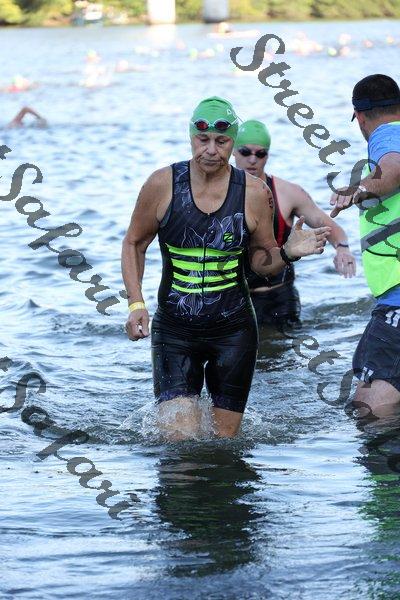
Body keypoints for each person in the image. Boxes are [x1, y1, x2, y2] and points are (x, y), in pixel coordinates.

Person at [121, 97, 330, 440]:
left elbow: (261, 261)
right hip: (175, 331)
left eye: (221, 141)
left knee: (224, 444)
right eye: (202, 139)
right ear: (191, 137)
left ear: (232, 143)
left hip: (234, 331)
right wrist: (136, 303)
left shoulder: (253, 192)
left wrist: (288, 253)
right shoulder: (162, 185)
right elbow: (134, 243)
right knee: (180, 443)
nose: (211, 150)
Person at [233, 119, 356, 331]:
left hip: (280, 298)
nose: (252, 159)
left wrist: (342, 248)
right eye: (245, 152)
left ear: (267, 155)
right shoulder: (219, 192)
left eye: (260, 154)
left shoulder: (287, 193)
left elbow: (327, 225)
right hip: (234, 300)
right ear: (234, 152)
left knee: (283, 351)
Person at [330, 74, 400, 419]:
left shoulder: (386, 134)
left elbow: (393, 170)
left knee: (368, 409)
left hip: (398, 298)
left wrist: (357, 191)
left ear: (358, 116)